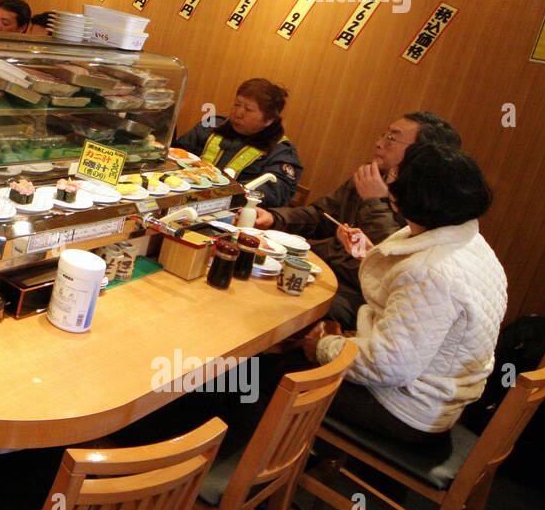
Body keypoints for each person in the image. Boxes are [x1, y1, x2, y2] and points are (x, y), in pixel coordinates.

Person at [301, 143, 507, 442]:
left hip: (406, 409)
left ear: (407, 197)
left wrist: (322, 347)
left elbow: (385, 365)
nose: (390, 178)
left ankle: (262, 473)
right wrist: (372, 253)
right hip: (439, 398)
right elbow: (419, 307)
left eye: (396, 174)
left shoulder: (432, 271)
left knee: (279, 370)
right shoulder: (470, 242)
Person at [255, 112, 461, 326]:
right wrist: (274, 217)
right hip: (324, 269)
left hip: (360, 293)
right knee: (260, 274)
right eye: (384, 135)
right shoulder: (372, 176)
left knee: (283, 307)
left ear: (422, 155)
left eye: (391, 138)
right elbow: (321, 216)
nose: (379, 143)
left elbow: (394, 259)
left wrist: (374, 201)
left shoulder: (426, 206)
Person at [173, 78, 301, 207]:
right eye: (237, 104)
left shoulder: (281, 151)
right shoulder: (212, 125)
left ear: (269, 119)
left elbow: (275, 194)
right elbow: (176, 153)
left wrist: (234, 192)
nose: (238, 113)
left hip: (231, 211)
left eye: (248, 109)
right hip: (180, 196)